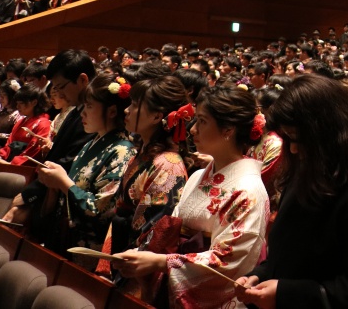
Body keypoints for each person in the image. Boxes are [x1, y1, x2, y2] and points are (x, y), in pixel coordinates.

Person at [236, 74, 348, 309]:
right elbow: (285, 257)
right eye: (287, 138)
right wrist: (259, 276)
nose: (292, 148)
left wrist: (285, 294)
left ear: (328, 135)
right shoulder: (304, 172)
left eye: (298, 139)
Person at [114, 85, 269, 307]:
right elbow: (170, 231)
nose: (193, 130)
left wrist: (160, 262)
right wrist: (145, 254)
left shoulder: (248, 190)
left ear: (228, 130)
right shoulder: (198, 176)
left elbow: (226, 260)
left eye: (202, 121)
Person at [101, 74, 191, 301]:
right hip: (121, 246)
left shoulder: (169, 164)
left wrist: (128, 265)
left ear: (157, 116)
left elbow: (157, 230)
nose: (127, 110)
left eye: (134, 105)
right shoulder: (144, 154)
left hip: (140, 264)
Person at [35, 71, 137, 259]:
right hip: (64, 235)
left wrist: (63, 182)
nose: (82, 112)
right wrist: (54, 185)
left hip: (87, 248)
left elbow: (100, 209)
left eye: (89, 106)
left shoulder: (123, 151)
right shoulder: (91, 142)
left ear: (112, 111)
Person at [3, 50, 96, 229]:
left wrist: (31, 195)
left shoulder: (92, 116)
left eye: (61, 87)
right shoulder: (75, 111)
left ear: (82, 80)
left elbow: (69, 161)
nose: (58, 93)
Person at [0, 84, 50, 165]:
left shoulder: (43, 123)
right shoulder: (20, 122)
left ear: (34, 102)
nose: (17, 106)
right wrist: (1, 156)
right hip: (8, 162)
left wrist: (11, 164)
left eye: (21, 103)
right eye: (17, 103)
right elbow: (9, 143)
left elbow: (33, 151)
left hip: (25, 168)